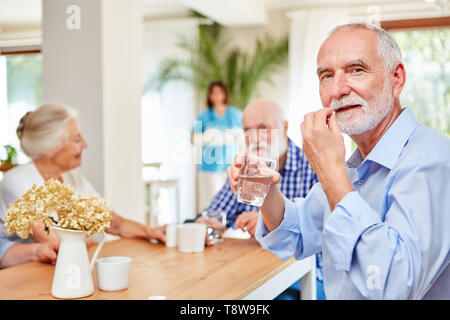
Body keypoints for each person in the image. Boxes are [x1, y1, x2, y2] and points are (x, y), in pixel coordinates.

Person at [227, 24, 450, 299]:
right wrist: (267, 191)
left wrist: (331, 170)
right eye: (327, 75)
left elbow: (394, 285)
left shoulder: (432, 159)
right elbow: (296, 235)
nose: (338, 89)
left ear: (397, 79)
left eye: (356, 69)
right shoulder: (355, 167)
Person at [195, 100, 325, 300]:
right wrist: (209, 222)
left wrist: (269, 224)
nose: (254, 138)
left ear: (284, 128)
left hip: (308, 278)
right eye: (248, 130)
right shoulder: (246, 169)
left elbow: (328, 238)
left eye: (263, 128)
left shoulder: (314, 166)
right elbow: (215, 213)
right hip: (257, 273)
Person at [0, 103, 166, 255]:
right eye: (77, 139)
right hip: (21, 278)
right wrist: (92, 241)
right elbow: (56, 241)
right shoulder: (17, 181)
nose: (85, 145)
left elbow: (115, 223)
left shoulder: (73, 178)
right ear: (50, 147)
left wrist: (150, 232)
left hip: (61, 270)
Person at [191, 81, 243, 211]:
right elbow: (192, 137)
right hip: (210, 166)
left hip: (231, 165)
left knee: (232, 199)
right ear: (209, 96)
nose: (217, 96)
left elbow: (246, 133)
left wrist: (234, 137)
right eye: (213, 93)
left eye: (219, 93)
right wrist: (205, 138)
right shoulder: (204, 116)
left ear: (225, 94)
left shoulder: (235, 114)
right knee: (214, 200)